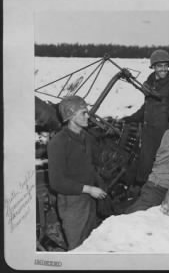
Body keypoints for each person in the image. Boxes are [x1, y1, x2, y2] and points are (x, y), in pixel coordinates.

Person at [47, 96, 107, 250]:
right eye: (83, 113)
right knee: (77, 247)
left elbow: (93, 162)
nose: (88, 116)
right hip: (72, 202)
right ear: (71, 116)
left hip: (90, 200)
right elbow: (56, 181)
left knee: (90, 243)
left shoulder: (86, 137)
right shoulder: (58, 143)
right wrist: (89, 189)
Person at [122, 49, 169, 186]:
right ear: (153, 67)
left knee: (161, 166)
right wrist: (131, 118)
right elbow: (147, 108)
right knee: (145, 163)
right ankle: (141, 191)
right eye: (159, 66)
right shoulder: (150, 84)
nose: (163, 69)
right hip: (149, 132)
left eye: (165, 66)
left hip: (164, 134)